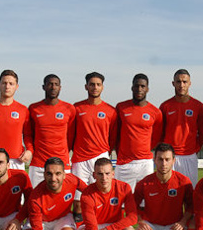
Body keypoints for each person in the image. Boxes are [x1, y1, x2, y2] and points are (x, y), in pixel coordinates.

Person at [134, 143, 192, 230]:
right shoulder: (144, 183)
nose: (164, 163)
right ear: (154, 160)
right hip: (151, 225)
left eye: (167, 159)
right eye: (160, 159)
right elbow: (133, 205)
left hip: (174, 224)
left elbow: (191, 206)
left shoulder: (183, 182)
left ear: (174, 160)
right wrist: (140, 221)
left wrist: (183, 222)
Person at [71, 72, 117, 218]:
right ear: (86, 86)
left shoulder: (110, 110)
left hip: (100, 157)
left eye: (98, 84)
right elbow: (70, 134)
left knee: (100, 196)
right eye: (92, 84)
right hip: (80, 159)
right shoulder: (77, 108)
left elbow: (113, 137)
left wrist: (105, 151)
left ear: (102, 87)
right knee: (78, 200)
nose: (95, 87)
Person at [159, 69, 203, 187]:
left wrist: (194, 149)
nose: (181, 85)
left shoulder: (199, 106)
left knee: (190, 193)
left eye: (185, 82)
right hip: (170, 156)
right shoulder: (165, 106)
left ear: (189, 83)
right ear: (173, 83)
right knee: (168, 193)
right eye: (178, 82)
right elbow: (160, 132)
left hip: (189, 156)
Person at [115, 73, 163, 190]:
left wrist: (143, 149)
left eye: (142, 86)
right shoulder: (121, 107)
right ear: (132, 87)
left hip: (145, 163)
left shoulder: (155, 112)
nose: (139, 89)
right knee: (121, 201)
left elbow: (156, 137)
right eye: (136, 86)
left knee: (144, 202)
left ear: (147, 89)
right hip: (124, 162)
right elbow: (116, 134)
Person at [27, 74, 76, 188]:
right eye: (50, 84)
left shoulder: (69, 108)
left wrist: (62, 151)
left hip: (62, 162)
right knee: (35, 199)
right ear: (44, 87)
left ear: (60, 87)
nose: (53, 87)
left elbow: (71, 136)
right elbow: (29, 134)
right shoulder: (34, 108)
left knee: (63, 200)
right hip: (39, 163)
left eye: (56, 84)